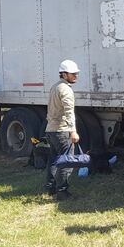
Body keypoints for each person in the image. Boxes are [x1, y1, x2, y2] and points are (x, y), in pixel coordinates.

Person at [44, 59, 81, 200]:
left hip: (51, 129)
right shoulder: (66, 90)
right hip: (62, 130)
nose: (76, 76)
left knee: (54, 160)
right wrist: (73, 131)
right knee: (67, 161)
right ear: (64, 74)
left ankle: (50, 187)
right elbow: (69, 112)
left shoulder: (55, 87)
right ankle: (62, 192)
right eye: (73, 74)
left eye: (76, 73)